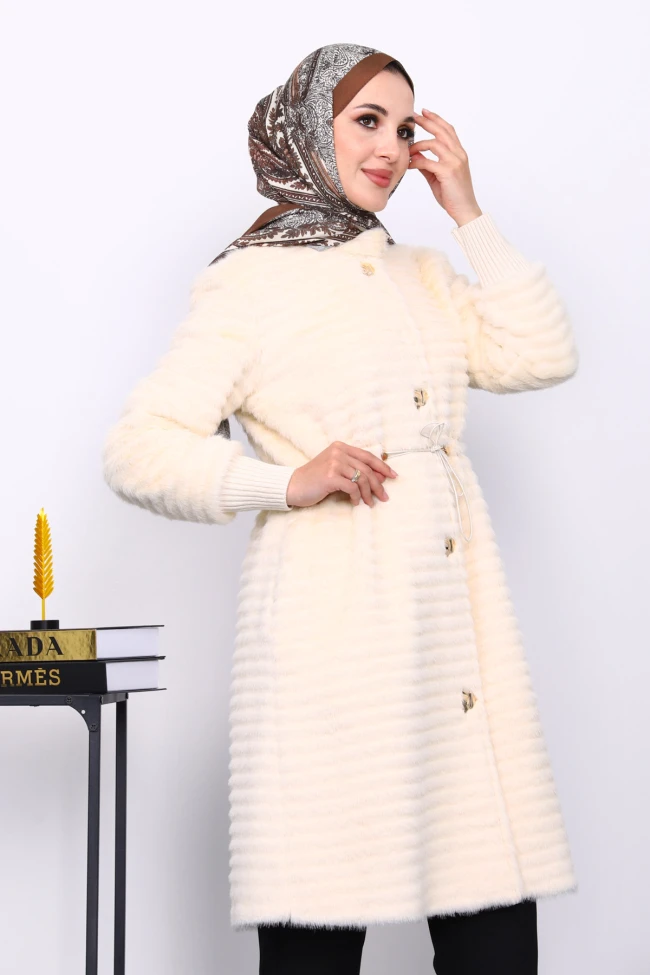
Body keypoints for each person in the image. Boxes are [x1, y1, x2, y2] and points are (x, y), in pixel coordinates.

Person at [102, 42, 579, 974]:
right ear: (306, 128)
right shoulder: (249, 283)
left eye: (403, 127)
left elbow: (540, 354)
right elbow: (139, 447)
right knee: (315, 947)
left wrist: (468, 212)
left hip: (455, 656)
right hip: (335, 655)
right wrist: (283, 481)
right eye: (366, 121)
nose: (391, 148)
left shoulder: (419, 271)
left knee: (494, 941)